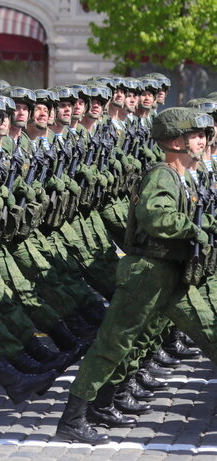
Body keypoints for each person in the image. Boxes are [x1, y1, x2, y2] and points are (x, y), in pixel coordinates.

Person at [56, 107, 217, 444]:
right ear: (176, 142)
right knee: (112, 344)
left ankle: (100, 402)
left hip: (173, 274)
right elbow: (155, 217)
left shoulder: (187, 176)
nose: (204, 141)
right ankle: (73, 418)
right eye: (196, 136)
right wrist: (195, 229)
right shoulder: (162, 175)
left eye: (204, 135)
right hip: (147, 273)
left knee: (209, 329)